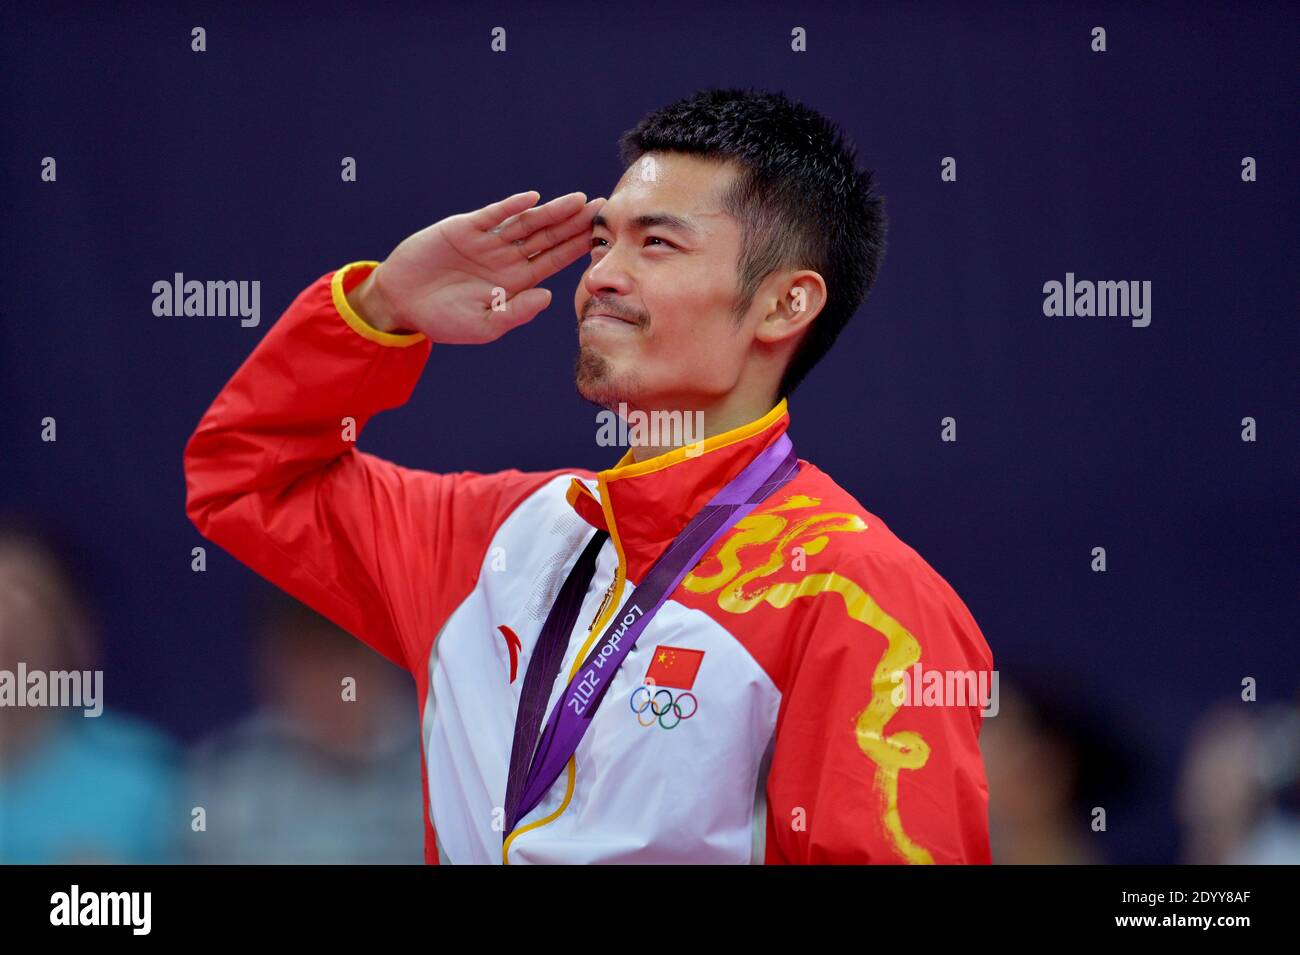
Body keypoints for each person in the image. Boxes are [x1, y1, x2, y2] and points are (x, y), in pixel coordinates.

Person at [184, 87, 993, 864]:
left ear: (784, 305)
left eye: (658, 244)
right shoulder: (494, 539)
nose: (599, 274)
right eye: (602, 240)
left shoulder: (865, 600)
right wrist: (382, 305)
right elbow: (248, 476)